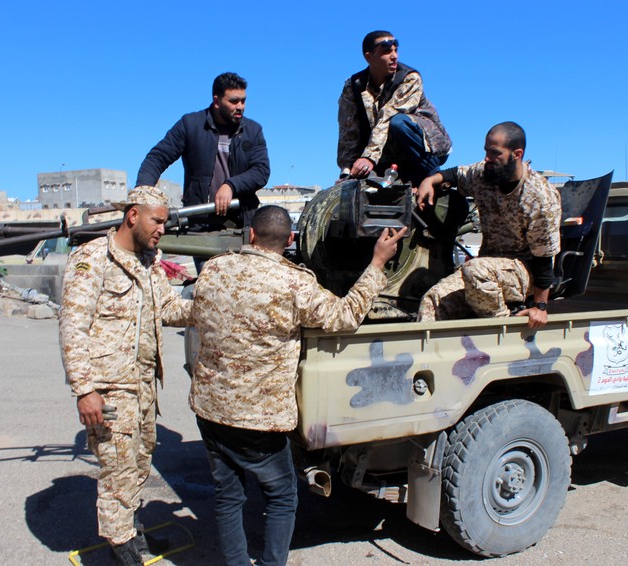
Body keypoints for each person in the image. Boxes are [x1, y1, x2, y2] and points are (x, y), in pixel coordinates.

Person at [189, 205, 406, 566]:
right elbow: (345, 316)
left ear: (251, 235)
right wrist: (377, 263)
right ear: (290, 239)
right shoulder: (294, 283)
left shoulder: (214, 268)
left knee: (228, 495)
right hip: (258, 421)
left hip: (209, 411)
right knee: (281, 495)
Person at [59, 186, 192, 565]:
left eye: (165, 222)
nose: (162, 229)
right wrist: (84, 390)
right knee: (118, 467)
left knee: (139, 461)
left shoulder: (149, 262)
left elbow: (169, 308)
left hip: (143, 386)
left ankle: (132, 534)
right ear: (133, 216)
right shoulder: (92, 259)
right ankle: (122, 549)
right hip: (108, 389)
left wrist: (209, 306)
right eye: (157, 221)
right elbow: (72, 327)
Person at [416, 121, 561, 329]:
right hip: (485, 270)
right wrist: (429, 181)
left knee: (476, 270)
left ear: (517, 154)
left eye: (494, 153)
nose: (487, 158)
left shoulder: (539, 196)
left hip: (524, 272)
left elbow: (544, 259)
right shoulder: (484, 174)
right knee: (433, 300)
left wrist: (540, 306)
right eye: (486, 151)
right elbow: (454, 174)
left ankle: (503, 331)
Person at [135, 72, 270, 270]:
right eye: (234, 101)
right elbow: (157, 158)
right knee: (209, 283)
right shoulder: (190, 125)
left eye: (243, 101)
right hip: (202, 226)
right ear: (216, 101)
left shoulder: (253, 130)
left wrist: (231, 186)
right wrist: (142, 197)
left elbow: (261, 171)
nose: (240, 106)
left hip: (242, 225)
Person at [337, 30, 451, 188]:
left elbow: (388, 117)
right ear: (369, 57)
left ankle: (435, 176)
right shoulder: (353, 86)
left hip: (427, 149)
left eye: (396, 50)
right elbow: (348, 131)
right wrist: (347, 171)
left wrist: (369, 157)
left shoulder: (409, 78)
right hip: (387, 157)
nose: (394, 56)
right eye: (386, 51)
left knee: (398, 122)